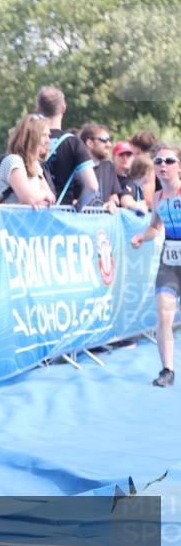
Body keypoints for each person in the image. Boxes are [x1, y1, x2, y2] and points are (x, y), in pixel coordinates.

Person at [130, 145, 181, 387]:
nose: (162, 165)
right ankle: (167, 371)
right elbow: (155, 227)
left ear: (178, 167)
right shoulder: (158, 198)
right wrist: (142, 236)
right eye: (158, 161)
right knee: (163, 313)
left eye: (169, 161)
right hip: (170, 262)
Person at [36, 86, 99, 206]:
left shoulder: (29, 140)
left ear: (39, 109)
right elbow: (92, 186)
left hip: (34, 214)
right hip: (62, 215)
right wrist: (79, 206)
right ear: (63, 108)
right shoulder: (73, 143)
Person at [0, 114, 56, 208]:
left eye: (48, 135)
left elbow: (51, 198)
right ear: (30, 137)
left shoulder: (35, 165)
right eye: (44, 135)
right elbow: (29, 199)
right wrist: (43, 195)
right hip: (11, 221)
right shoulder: (13, 161)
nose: (48, 140)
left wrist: (39, 199)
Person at [79, 123, 127, 210]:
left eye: (109, 140)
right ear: (90, 143)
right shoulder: (76, 168)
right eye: (104, 140)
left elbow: (114, 195)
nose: (109, 144)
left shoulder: (108, 166)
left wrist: (112, 203)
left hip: (102, 222)